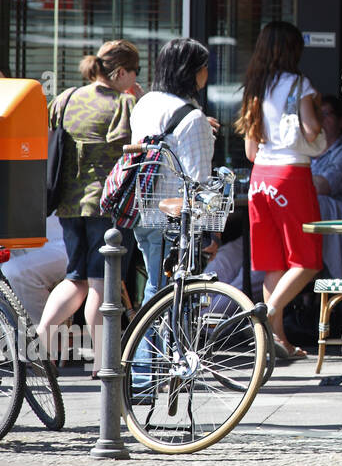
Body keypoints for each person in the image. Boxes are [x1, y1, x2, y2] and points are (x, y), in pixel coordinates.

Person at [36, 39, 139, 364]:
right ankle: (102, 362)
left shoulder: (65, 98)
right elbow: (132, 150)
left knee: (75, 277)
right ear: (120, 72)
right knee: (100, 282)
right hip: (103, 204)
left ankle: (39, 340)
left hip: (67, 204)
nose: (135, 81)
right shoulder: (123, 105)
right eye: (133, 74)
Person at [235, 21, 323, 360]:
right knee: (308, 259)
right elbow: (312, 131)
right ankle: (268, 313)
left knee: (275, 263)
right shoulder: (299, 84)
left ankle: (277, 342)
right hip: (290, 176)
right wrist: (314, 113)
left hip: (260, 177)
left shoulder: (254, 87)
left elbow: (250, 152)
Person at [128, 38, 215, 312]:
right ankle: (144, 356)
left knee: (156, 285)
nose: (207, 73)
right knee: (163, 292)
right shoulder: (193, 118)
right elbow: (198, 179)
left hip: (141, 208)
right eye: (204, 67)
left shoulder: (146, 103)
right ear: (192, 72)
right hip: (173, 217)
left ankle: (155, 353)